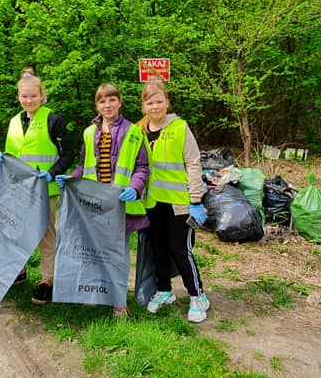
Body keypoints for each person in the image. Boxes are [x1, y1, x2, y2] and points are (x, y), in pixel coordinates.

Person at [57, 83, 149, 317]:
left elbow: (142, 167)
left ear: (120, 102)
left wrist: (134, 188)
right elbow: (84, 165)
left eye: (111, 100)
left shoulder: (133, 131)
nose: (107, 105)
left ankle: (119, 301)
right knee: (94, 251)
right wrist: (71, 178)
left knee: (117, 253)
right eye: (102, 101)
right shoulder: (89, 133)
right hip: (93, 205)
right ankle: (97, 293)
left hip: (119, 205)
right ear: (96, 105)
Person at [0, 69, 74, 304]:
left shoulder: (53, 120)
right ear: (18, 97)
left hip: (44, 190)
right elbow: (13, 153)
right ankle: (18, 272)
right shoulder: (14, 122)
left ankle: (47, 280)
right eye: (24, 96)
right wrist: (1, 158)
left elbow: (67, 155)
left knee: (46, 235)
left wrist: (52, 174)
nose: (29, 100)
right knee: (17, 233)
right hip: (17, 190)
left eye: (33, 96)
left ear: (41, 96)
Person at [139, 80, 210, 323]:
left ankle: (198, 296)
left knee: (180, 250)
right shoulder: (140, 131)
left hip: (179, 204)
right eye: (150, 102)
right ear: (143, 106)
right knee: (157, 249)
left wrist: (196, 199)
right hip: (152, 203)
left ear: (167, 103)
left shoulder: (180, 128)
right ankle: (164, 290)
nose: (155, 106)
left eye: (159, 101)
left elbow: (193, 162)